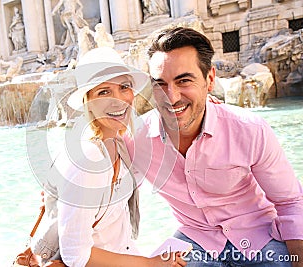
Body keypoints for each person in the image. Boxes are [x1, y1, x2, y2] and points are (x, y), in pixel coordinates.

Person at [126, 27, 303, 266]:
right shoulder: (135, 139)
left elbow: (290, 202)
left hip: (260, 236)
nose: (171, 96)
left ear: (209, 79)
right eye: (160, 84)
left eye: (184, 81)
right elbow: (106, 200)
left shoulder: (249, 129)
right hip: (194, 238)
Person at [42, 47, 187, 267]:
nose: (119, 100)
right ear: (87, 101)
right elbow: (75, 256)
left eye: (124, 88)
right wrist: (152, 264)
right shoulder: (87, 159)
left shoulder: (119, 143)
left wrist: (203, 105)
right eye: (104, 92)